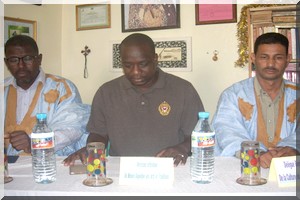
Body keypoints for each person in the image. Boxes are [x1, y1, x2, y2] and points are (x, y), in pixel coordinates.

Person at [63, 33, 204, 166]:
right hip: (121, 170)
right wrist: (92, 150)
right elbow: (99, 133)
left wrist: (182, 148)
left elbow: (199, 136)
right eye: (128, 66)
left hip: (170, 168)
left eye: (143, 64)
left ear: (155, 59)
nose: (135, 72)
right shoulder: (106, 92)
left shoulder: (183, 90)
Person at [212, 32, 299, 168]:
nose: (270, 63)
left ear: (288, 59)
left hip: (289, 168)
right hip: (244, 168)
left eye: (278, 57)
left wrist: (291, 149)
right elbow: (227, 132)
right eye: (264, 57)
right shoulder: (233, 94)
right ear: (253, 58)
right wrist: (258, 153)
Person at [3, 35, 90, 156]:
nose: (21, 65)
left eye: (27, 58)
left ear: (39, 59)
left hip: (49, 164)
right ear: (6, 62)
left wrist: (34, 143)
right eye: (14, 60)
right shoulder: (3, 89)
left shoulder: (62, 88)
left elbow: (71, 130)